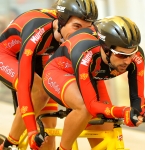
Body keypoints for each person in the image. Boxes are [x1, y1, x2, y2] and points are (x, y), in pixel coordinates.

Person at [0, 0, 98, 150]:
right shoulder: (37, 30)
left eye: (86, 28)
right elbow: (26, 87)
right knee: (38, 92)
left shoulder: (83, 33)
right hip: (7, 54)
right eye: (77, 26)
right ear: (61, 21)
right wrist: (30, 129)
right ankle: (9, 144)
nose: (81, 34)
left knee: (48, 128)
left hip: (41, 54)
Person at [42, 16, 145, 150]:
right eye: (121, 55)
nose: (128, 61)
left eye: (131, 54)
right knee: (84, 108)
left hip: (91, 76)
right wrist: (123, 111)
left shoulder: (137, 57)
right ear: (106, 49)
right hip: (59, 72)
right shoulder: (86, 54)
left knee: (105, 132)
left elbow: (137, 99)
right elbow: (91, 105)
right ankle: (64, 148)